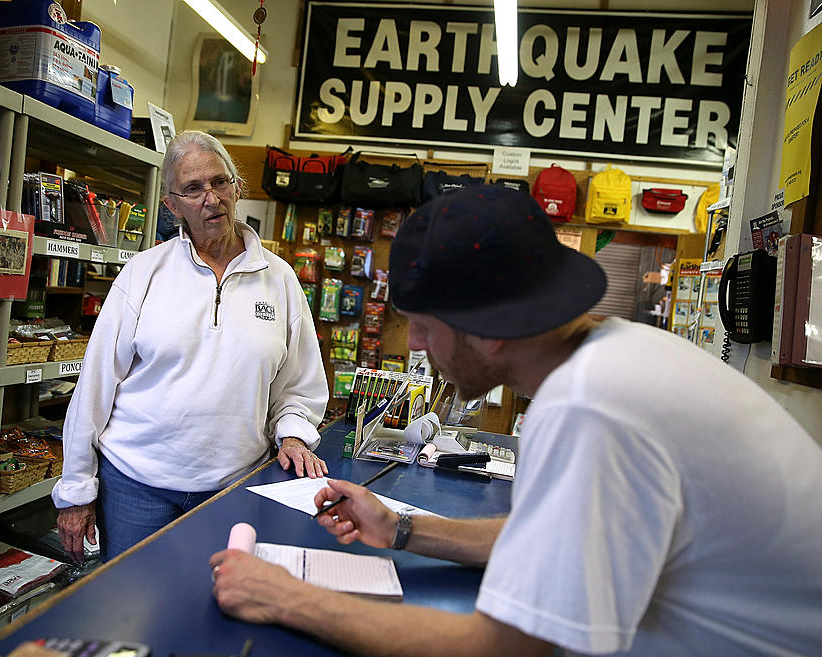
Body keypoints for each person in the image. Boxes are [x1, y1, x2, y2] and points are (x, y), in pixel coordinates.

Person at [210, 186, 822, 656]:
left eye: (424, 323)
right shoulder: (615, 352)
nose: (416, 342)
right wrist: (402, 529)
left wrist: (286, 597)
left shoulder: (591, 404)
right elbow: (553, 540)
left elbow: (502, 648)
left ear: (486, 330)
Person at [54, 130, 329, 562]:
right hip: (134, 487)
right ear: (172, 205)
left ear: (237, 187)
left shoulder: (280, 280)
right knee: (130, 613)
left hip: (234, 487)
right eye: (193, 189)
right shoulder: (144, 274)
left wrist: (293, 436)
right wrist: (76, 490)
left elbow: (298, 386)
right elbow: (94, 388)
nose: (211, 199)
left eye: (220, 182)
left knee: (216, 608)